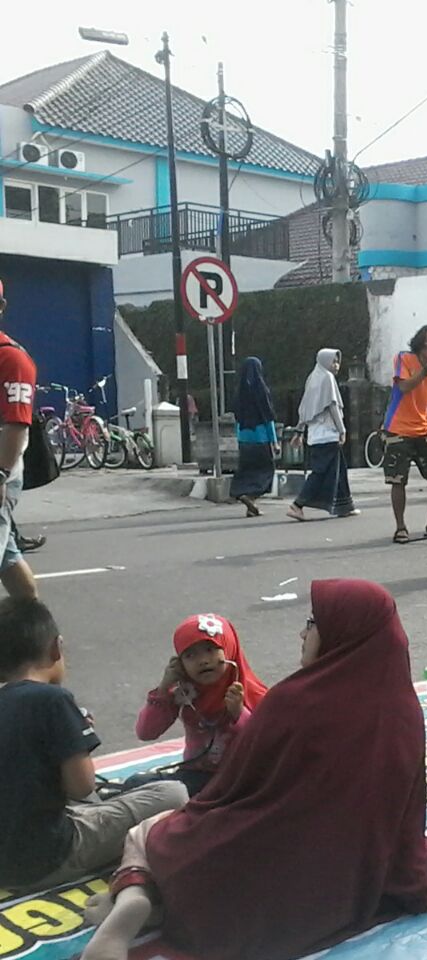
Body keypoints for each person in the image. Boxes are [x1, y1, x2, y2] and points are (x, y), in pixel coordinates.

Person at [79, 580, 427, 960]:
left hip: (229, 892)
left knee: (153, 830)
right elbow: (401, 818)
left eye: (313, 623)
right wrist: (415, 890)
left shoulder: (292, 701)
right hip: (334, 882)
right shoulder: (402, 712)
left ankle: (136, 897)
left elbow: (227, 794)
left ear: (342, 632)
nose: (303, 633)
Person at [0, 598, 187, 892]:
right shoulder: (53, 699)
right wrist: (74, 739)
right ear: (56, 648)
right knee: (174, 793)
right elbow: (81, 787)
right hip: (44, 860)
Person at [135, 613, 269, 796]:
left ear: (229, 649)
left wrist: (239, 713)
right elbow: (146, 732)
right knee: (136, 784)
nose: (203, 661)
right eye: (190, 655)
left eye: (210, 650)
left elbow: (265, 746)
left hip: (242, 779)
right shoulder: (185, 692)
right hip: (196, 776)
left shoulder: (256, 696)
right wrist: (163, 691)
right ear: (179, 664)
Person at [383, 325, 427, 543]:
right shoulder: (404, 359)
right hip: (399, 429)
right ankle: (400, 527)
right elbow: (404, 387)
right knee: (398, 480)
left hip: (424, 430)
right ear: (420, 342)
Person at [0, 279, 38, 598]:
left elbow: (16, 425)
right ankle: (34, 620)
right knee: (8, 557)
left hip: (2, 470)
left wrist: (0, 475)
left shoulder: (12, 360)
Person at [288, 349, 357, 521]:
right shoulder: (327, 378)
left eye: (337, 361)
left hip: (315, 436)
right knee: (320, 473)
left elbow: (305, 409)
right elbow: (333, 406)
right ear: (325, 361)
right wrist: (342, 430)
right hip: (328, 434)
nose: (336, 365)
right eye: (333, 361)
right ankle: (297, 505)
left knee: (338, 471)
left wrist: (299, 430)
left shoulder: (312, 378)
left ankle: (344, 506)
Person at [229, 357, 277, 518]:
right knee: (266, 472)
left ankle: (250, 505)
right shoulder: (262, 390)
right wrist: (274, 441)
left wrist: (239, 439)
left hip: (244, 439)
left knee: (247, 471)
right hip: (261, 438)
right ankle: (250, 497)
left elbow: (237, 418)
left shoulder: (239, 393)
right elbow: (268, 417)